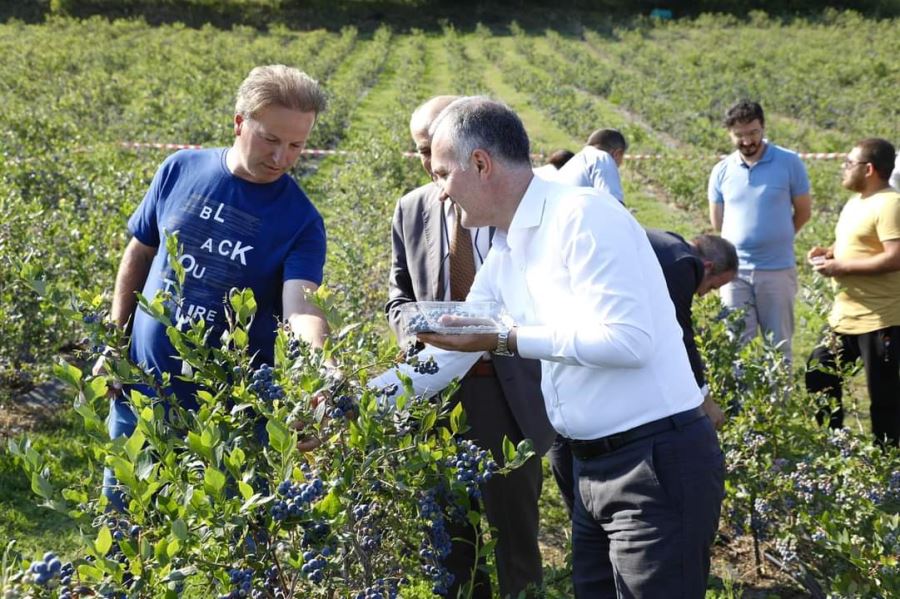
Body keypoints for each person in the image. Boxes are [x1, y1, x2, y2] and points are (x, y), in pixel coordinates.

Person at [372, 97, 724, 598]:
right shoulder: (509, 245)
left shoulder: (581, 218)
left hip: (654, 462)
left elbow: (628, 341)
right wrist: (356, 405)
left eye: (445, 173)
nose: (443, 191)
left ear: (480, 164)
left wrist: (506, 338)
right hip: (590, 468)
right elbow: (457, 346)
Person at [99, 65, 331, 507]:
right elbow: (141, 252)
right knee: (126, 523)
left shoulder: (301, 220)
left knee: (219, 545)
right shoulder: (179, 168)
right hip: (142, 393)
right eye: (271, 139)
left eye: (297, 145)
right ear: (240, 122)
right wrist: (114, 341)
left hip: (230, 413)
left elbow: (301, 306)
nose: (282, 157)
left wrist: (316, 373)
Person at [386, 95, 555, 599]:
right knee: (448, 534)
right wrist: (417, 331)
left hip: (507, 391)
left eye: (436, 153)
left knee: (513, 533)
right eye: (420, 153)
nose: (428, 166)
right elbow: (398, 294)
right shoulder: (412, 207)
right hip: (437, 395)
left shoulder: (512, 206)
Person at [548, 229, 737, 514]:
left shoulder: (667, 241)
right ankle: (581, 508)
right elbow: (680, 334)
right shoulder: (684, 264)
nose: (701, 293)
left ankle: (578, 509)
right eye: (710, 287)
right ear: (707, 266)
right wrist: (704, 398)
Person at [805, 138, 900, 448]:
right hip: (844, 317)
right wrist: (830, 253)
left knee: (883, 398)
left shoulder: (890, 204)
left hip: (880, 319)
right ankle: (832, 445)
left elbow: (894, 257)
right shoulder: (857, 202)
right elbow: (859, 244)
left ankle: (889, 467)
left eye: (849, 163)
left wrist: (843, 268)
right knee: (818, 373)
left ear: (869, 169)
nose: (843, 169)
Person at [708, 100, 811, 362]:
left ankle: (778, 403)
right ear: (729, 134)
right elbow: (718, 221)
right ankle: (739, 404)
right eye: (739, 135)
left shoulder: (789, 163)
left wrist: (779, 236)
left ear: (763, 127)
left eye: (753, 132)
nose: (747, 141)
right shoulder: (721, 171)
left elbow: (803, 211)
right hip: (734, 273)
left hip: (776, 269)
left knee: (778, 346)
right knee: (736, 344)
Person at [555, 128, 626, 204]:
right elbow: (613, 205)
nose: (621, 163)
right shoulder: (602, 157)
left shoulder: (571, 164)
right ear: (617, 153)